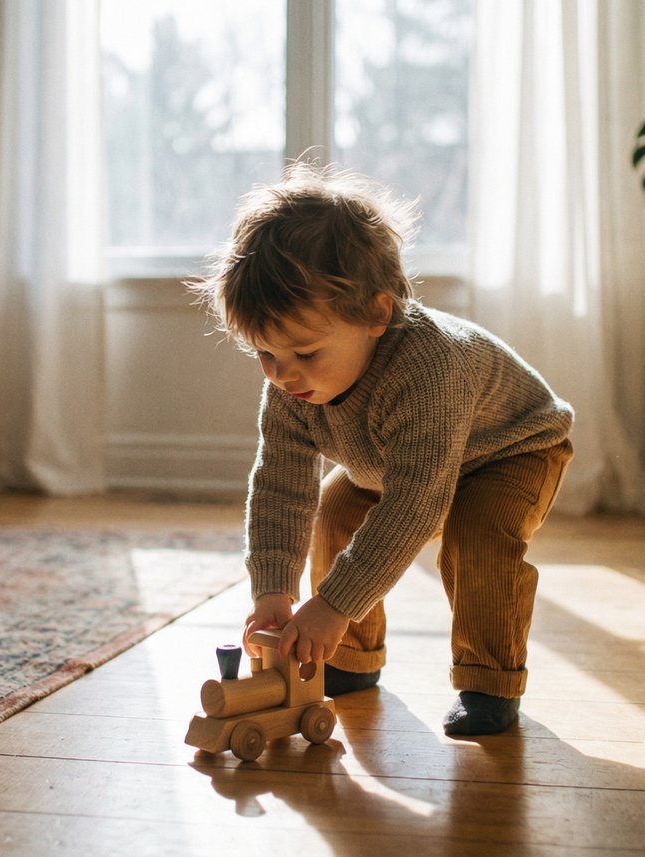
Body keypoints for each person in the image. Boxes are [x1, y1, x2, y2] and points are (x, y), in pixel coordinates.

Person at [189, 163, 574, 736]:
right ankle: (350, 658)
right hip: (394, 463)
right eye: (265, 355)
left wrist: (333, 603)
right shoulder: (291, 386)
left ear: (375, 313)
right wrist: (273, 589)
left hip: (509, 450)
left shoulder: (428, 368)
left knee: (479, 534)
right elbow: (279, 485)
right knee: (333, 507)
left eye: (305, 354)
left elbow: (417, 506)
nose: (283, 375)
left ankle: (488, 684)